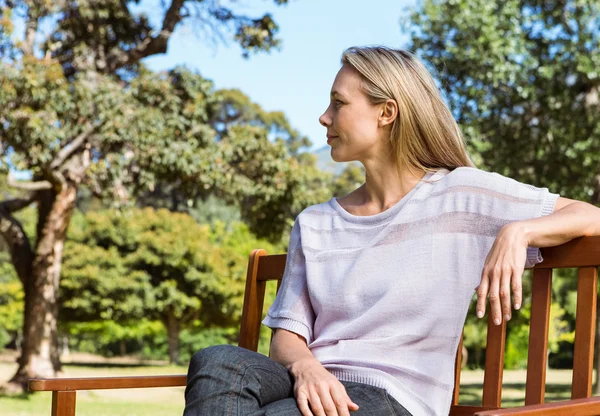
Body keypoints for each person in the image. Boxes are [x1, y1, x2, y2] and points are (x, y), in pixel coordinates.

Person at [183, 46, 600, 416]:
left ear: (386, 113)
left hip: (394, 396)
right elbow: (286, 339)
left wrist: (519, 232)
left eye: (338, 103)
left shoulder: (461, 194)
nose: (323, 117)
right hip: (310, 382)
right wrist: (308, 368)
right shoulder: (314, 223)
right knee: (219, 361)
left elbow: (590, 215)